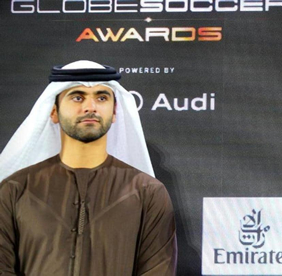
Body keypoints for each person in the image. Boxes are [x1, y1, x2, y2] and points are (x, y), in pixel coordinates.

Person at [0, 60, 177, 275]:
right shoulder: (14, 190)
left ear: (114, 113)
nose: (90, 107)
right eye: (77, 97)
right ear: (53, 112)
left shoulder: (148, 193)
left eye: (102, 97)